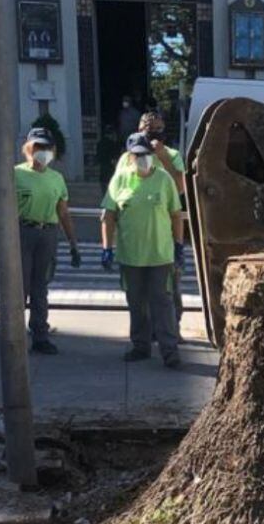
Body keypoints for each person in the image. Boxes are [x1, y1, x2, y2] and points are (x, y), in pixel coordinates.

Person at [100, 132, 183, 367]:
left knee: (162, 303)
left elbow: (176, 215)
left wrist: (178, 245)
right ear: (129, 156)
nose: (142, 158)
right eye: (137, 155)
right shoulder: (120, 180)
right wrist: (107, 248)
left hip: (159, 255)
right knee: (136, 303)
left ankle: (170, 351)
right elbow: (108, 216)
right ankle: (140, 346)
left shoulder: (164, 180)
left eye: (146, 154)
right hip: (130, 256)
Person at [14, 127, 80, 354]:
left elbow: (63, 213)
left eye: (47, 147)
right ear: (29, 148)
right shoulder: (15, 174)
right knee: (19, 288)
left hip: (48, 234)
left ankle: (40, 335)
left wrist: (73, 243)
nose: (42, 152)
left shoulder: (57, 179)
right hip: (22, 233)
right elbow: (1, 208)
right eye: (38, 147)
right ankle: (14, 336)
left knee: (40, 287)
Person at [137, 110, 188, 338]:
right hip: (139, 234)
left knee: (170, 286)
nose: (154, 134)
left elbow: (180, 186)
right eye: (150, 130)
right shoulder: (131, 155)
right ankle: (148, 333)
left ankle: (172, 331)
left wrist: (163, 157)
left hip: (166, 233)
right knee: (142, 289)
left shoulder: (172, 154)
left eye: (159, 129)